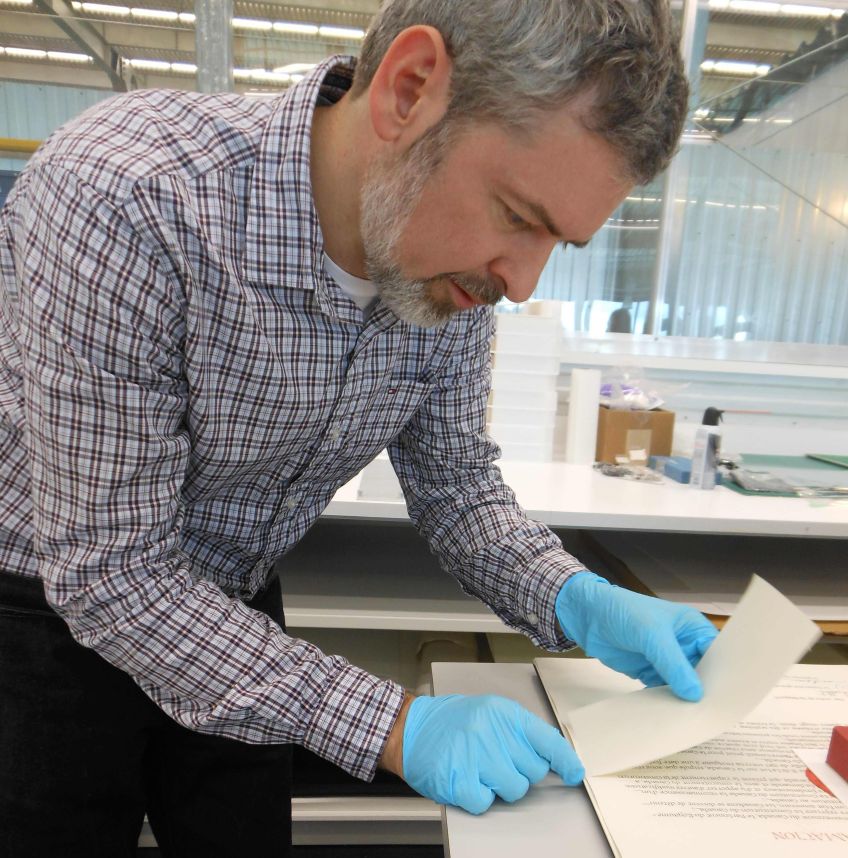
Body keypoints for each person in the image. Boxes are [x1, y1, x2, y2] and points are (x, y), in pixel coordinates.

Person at [0, 0, 717, 854]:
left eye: (556, 243)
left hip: (232, 600)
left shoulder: (450, 264)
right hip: (42, 616)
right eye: (520, 217)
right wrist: (394, 724)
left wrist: (577, 598)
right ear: (410, 89)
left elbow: (458, 491)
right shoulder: (131, 195)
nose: (521, 282)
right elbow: (114, 571)